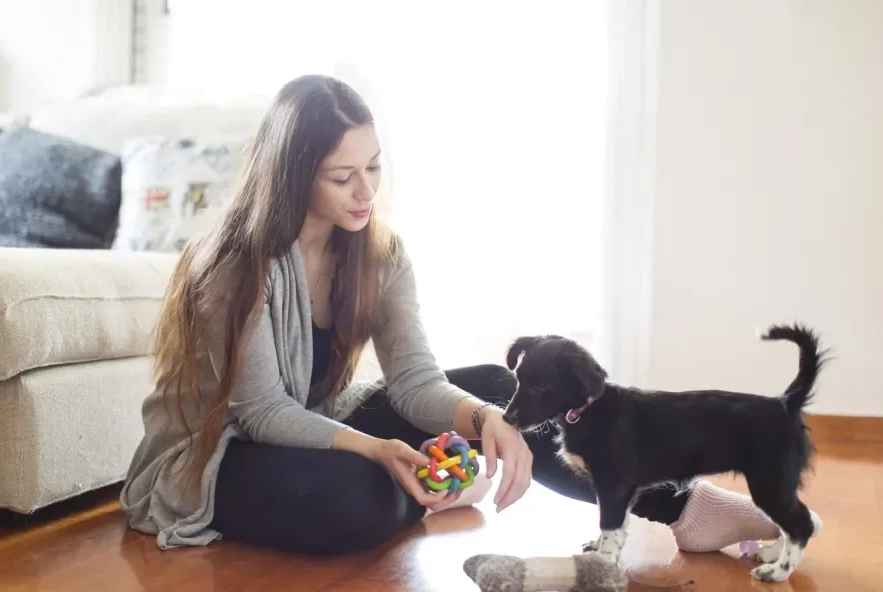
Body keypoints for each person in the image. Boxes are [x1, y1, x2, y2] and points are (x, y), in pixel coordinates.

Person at [120, 74, 820, 555]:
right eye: (343, 176)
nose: (366, 192)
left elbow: (417, 381)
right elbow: (266, 410)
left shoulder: (378, 255)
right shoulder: (234, 264)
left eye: (375, 166)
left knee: (493, 388)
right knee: (353, 502)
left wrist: (485, 423)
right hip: (222, 453)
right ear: (293, 175)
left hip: (321, 426)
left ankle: (683, 508)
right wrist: (379, 449)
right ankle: (433, 484)